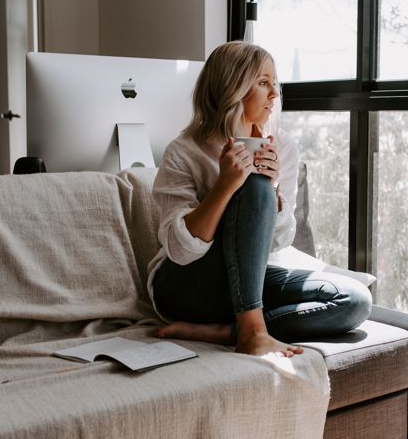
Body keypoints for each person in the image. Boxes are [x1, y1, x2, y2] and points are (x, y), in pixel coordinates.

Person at [146, 41, 372, 357]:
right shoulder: (184, 151)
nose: (274, 94)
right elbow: (179, 251)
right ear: (232, 88)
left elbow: (278, 242)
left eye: (274, 83)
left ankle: (230, 331)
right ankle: (252, 333)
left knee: (354, 301)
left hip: (244, 284)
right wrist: (225, 186)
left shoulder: (283, 148)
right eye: (263, 83)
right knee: (253, 186)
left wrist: (273, 188)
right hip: (184, 289)